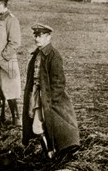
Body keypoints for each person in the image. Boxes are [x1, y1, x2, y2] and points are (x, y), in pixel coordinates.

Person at [22, 24, 80, 159]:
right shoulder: (37, 54)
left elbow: (59, 82)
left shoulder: (53, 56)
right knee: (37, 125)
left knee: (53, 125)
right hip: (37, 94)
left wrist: (50, 99)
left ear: (48, 37)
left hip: (48, 98)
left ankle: (55, 153)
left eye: (40, 36)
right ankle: (49, 153)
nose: (37, 39)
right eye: (35, 35)